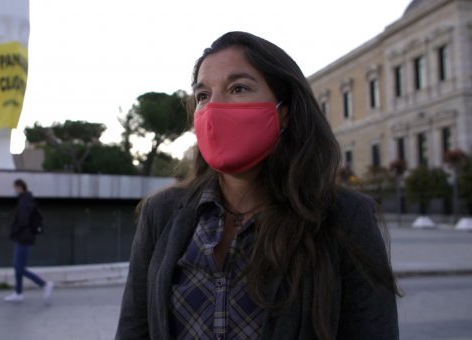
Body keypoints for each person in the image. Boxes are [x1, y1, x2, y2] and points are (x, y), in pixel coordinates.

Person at [116, 32, 400, 340]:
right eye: (202, 96)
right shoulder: (162, 214)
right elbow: (135, 330)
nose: (214, 108)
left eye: (238, 88)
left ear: (284, 111)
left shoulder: (345, 217)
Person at [4, 178, 54, 303]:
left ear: (20, 187)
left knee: (19, 268)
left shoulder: (25, 201)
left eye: (15, 187)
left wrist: (13, 232)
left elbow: (23, 220)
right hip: (25, 237)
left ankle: (44, 284)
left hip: (24, 238)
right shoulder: (26, 199)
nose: (14, 190)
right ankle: (18, 293)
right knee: (18, 266)